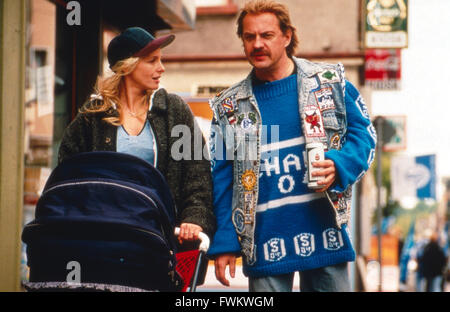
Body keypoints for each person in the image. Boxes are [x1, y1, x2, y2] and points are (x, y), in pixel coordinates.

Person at [207, 0, 376, 292]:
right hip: (264, 244)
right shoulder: (228, 107)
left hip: (326, 236)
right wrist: (224, 240)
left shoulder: (330, 83)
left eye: (267, 35)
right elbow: (222, 178)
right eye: (249, 37)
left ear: (287, 36)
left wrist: (339, 164)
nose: (257, 44)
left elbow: (365, 136)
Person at [58, 27, 215, 243]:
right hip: (103, 238)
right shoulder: (93, 116)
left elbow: (197, 172)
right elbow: (68, 174)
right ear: (128, 65)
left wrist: (194, 217)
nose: (161, 68)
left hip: (160, 238)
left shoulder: (174, 111)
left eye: (160, 60)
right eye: (152, 61)